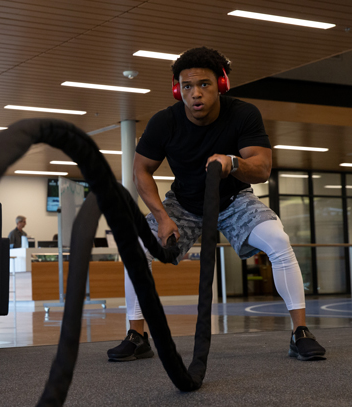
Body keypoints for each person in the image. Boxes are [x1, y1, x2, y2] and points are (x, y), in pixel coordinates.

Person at [107, 46, 326, 363]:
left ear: (221, 84)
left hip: (233, 199)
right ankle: (137, 335)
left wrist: (233, 163)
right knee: (135, 247)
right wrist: (162, 218)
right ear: (177, 89)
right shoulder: (164, 122)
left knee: (279, 241)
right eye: (186, 86)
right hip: (183, 204)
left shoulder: (242, 114)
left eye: (204, 85)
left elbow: (262, 168)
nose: (195, 94)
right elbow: (141, 170)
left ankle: (300, 332)